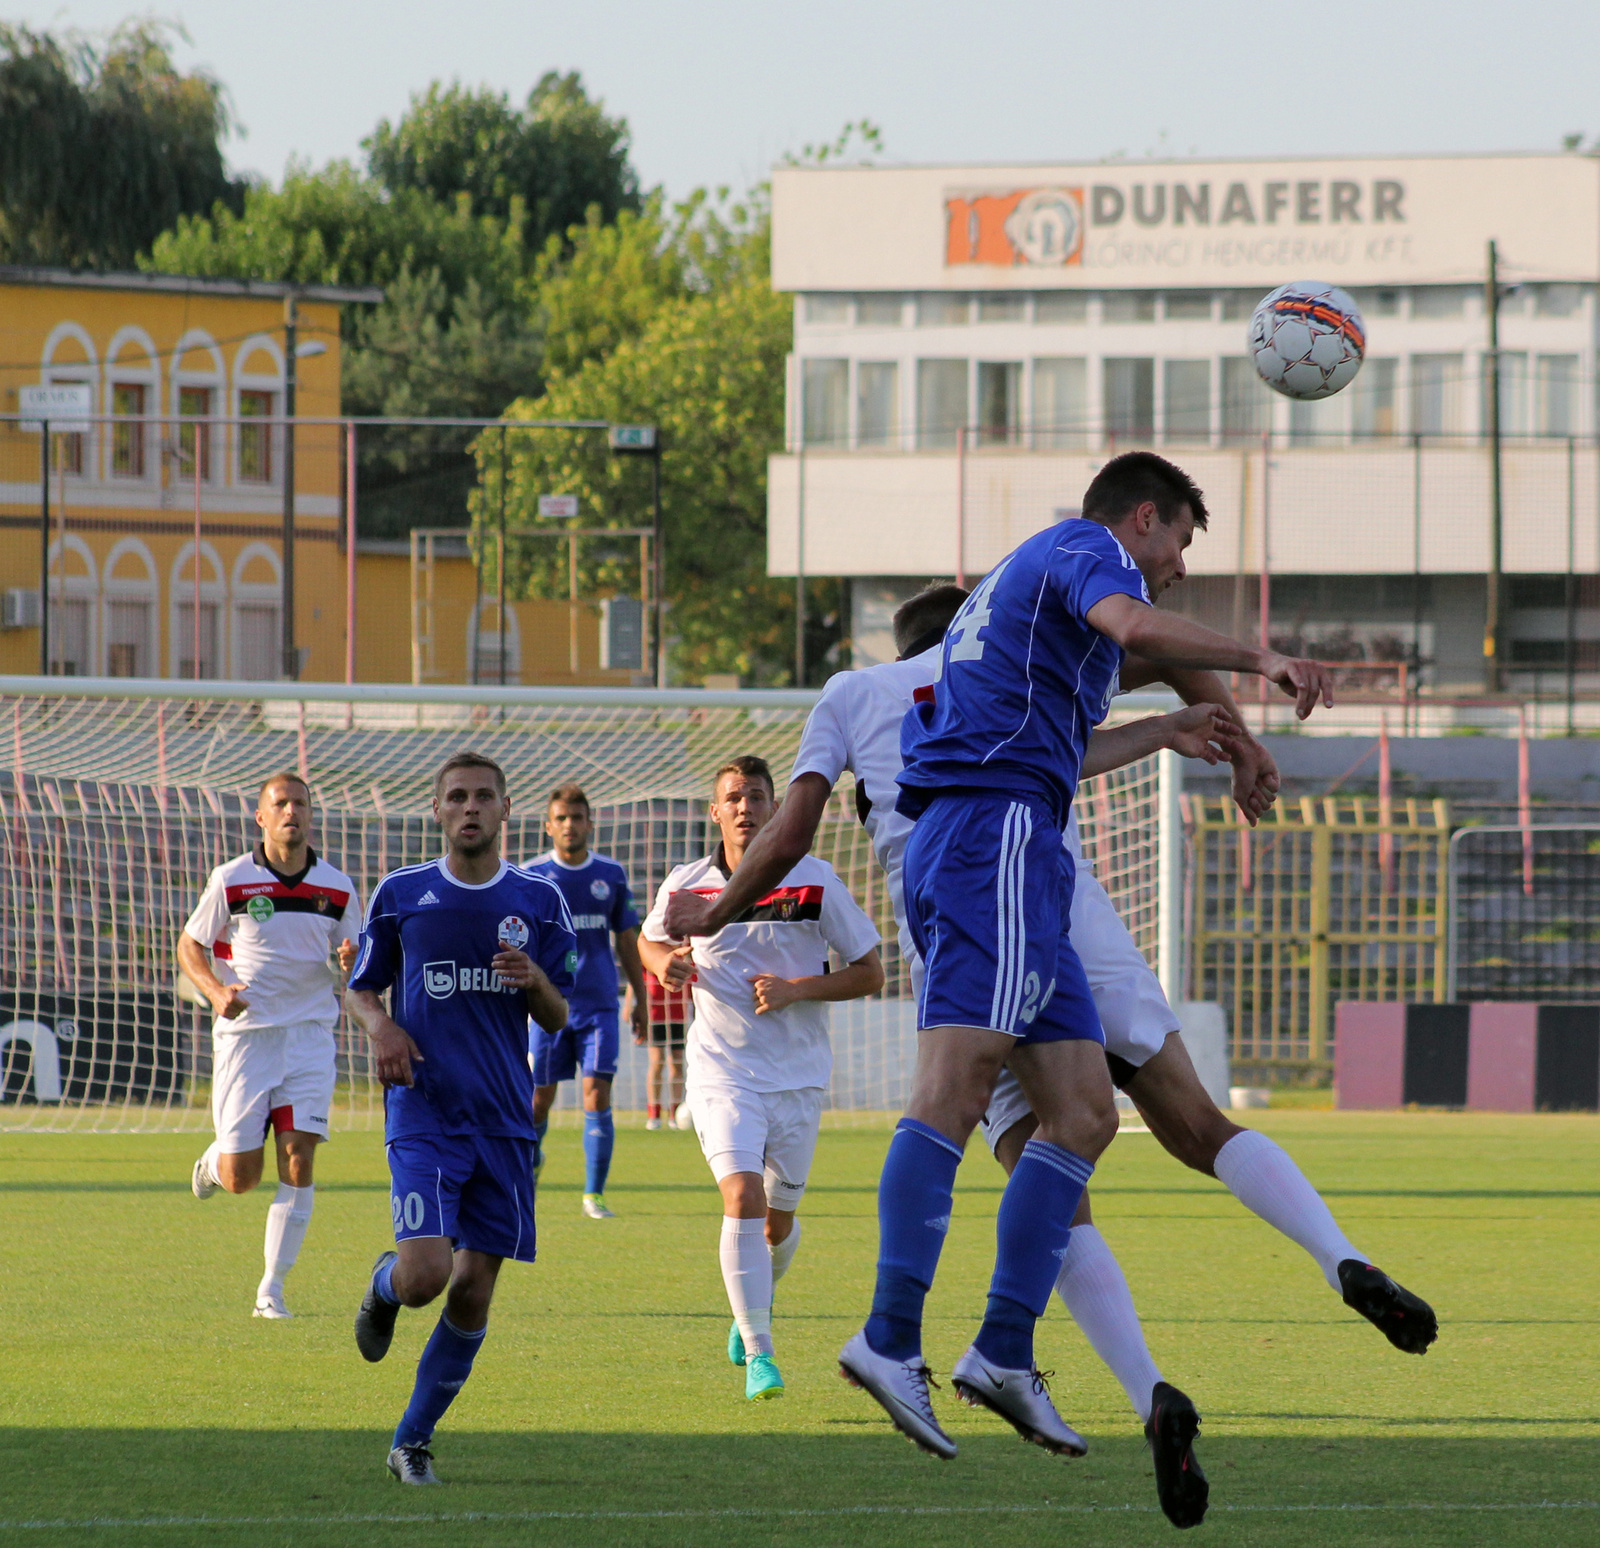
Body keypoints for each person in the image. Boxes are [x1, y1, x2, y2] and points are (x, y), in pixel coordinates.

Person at [346, 751, 575, 1486]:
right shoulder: (402, 893)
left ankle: (411, 1440)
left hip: (505, 1120)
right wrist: (382, 1030)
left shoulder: (540, 901)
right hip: (425, 1112)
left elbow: (558, 1012)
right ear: (437, 810)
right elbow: (361, 987)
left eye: (483, 797)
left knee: (474, 1291)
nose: (469, 808)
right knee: (425, 1276)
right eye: (456, 797)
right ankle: (384, 1287)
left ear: (507, 811)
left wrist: (534, 978)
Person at [640, 755, 883, 1404]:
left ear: (776, 810)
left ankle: (746, 1303)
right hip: (722, 1075)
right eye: (733, 797)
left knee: (776, 1225)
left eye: (756, 796)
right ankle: (760, 1350)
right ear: (715, 812)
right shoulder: (687, 885)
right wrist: (664, 964)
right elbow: (650, 942)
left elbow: (870, 972)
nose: (745, 806)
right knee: (741, 1197)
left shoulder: (816, 883)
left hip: (799, 1081)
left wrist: (799, 988)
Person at [181, 771, 361, 1319]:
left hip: (309, 1035)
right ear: (261, 817)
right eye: (280, 804)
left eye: (301, 803)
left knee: (299, 1156)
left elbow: (355, 960)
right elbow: (190, 945)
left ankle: (271, 1290)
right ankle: (213, 1165)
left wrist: (353, 963)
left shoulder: (338, 886)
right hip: (247, 1037)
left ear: (311, 814)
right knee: (242, 1178)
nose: (292, 812)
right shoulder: (232, 879)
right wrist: (215, 991)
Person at [526, 783, 648, 1219]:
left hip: (600, 1006)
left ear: (590, 824)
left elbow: (629, 940)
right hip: (547, 1007)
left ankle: (593, 1194)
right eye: (561, 818)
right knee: (540, 1098)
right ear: (548, 826)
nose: (570, 825)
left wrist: (641, 998)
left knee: (597, 1094)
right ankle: (530, 1163)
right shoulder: (532, 876)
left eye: (577, 818)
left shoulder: (610, 874)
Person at [643, 974, 690, 1130]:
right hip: (655, 1014)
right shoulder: (651, 951)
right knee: (657, 1062)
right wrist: (630, 1005)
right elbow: (636, 977)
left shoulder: (685, 953)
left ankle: (675, 1113)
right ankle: (654, 1113)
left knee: (677, 1063)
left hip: (679, 1015)